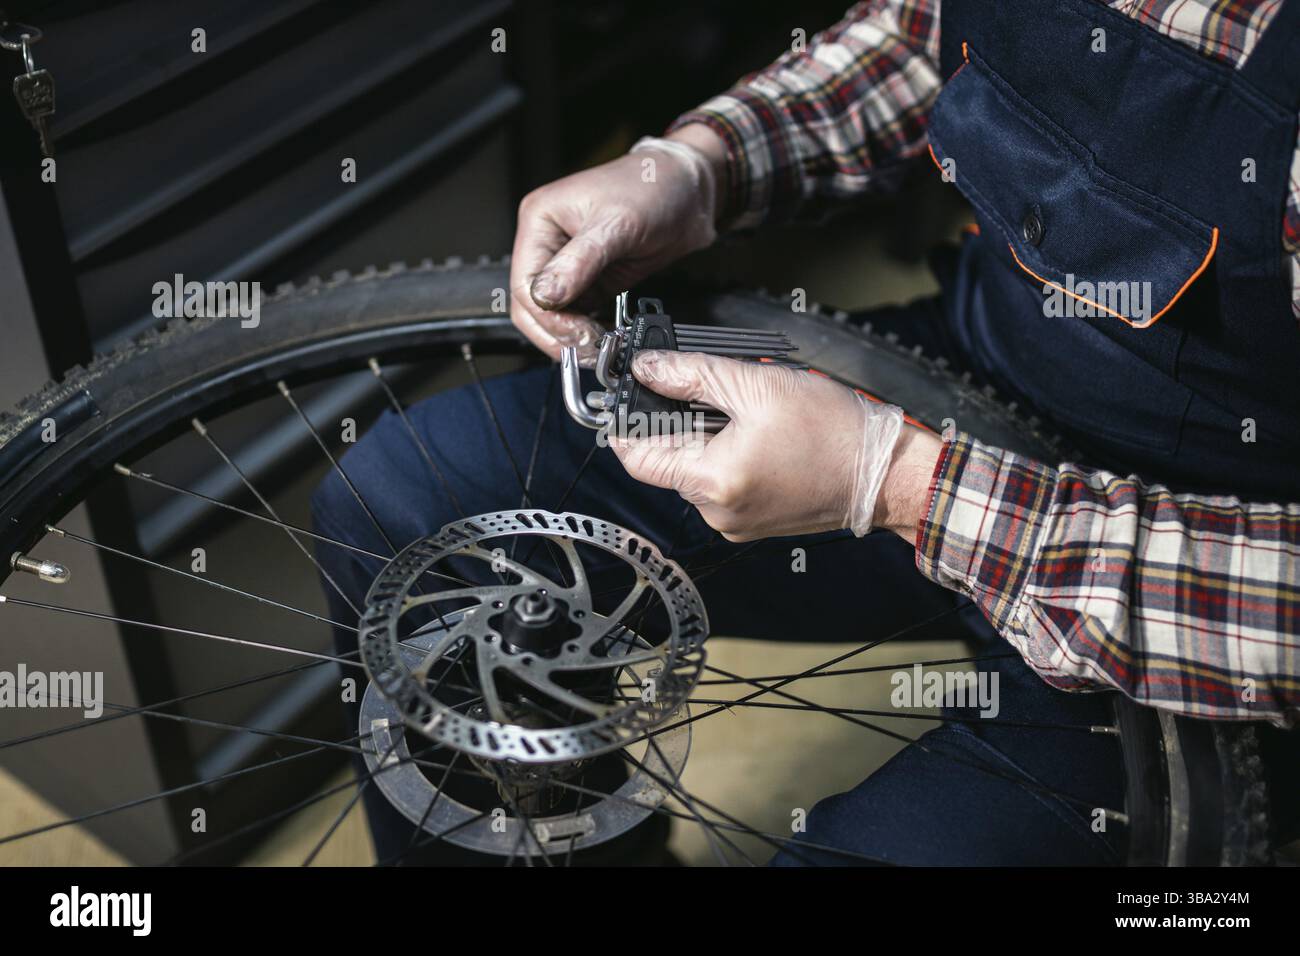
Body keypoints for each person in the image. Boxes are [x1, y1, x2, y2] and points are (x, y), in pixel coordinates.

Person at [313, 0, 1299, 864]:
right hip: (980, 378)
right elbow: (932, 32)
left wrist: (901, 482)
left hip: (1200, 592)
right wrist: (704, 163)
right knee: (407, 500)